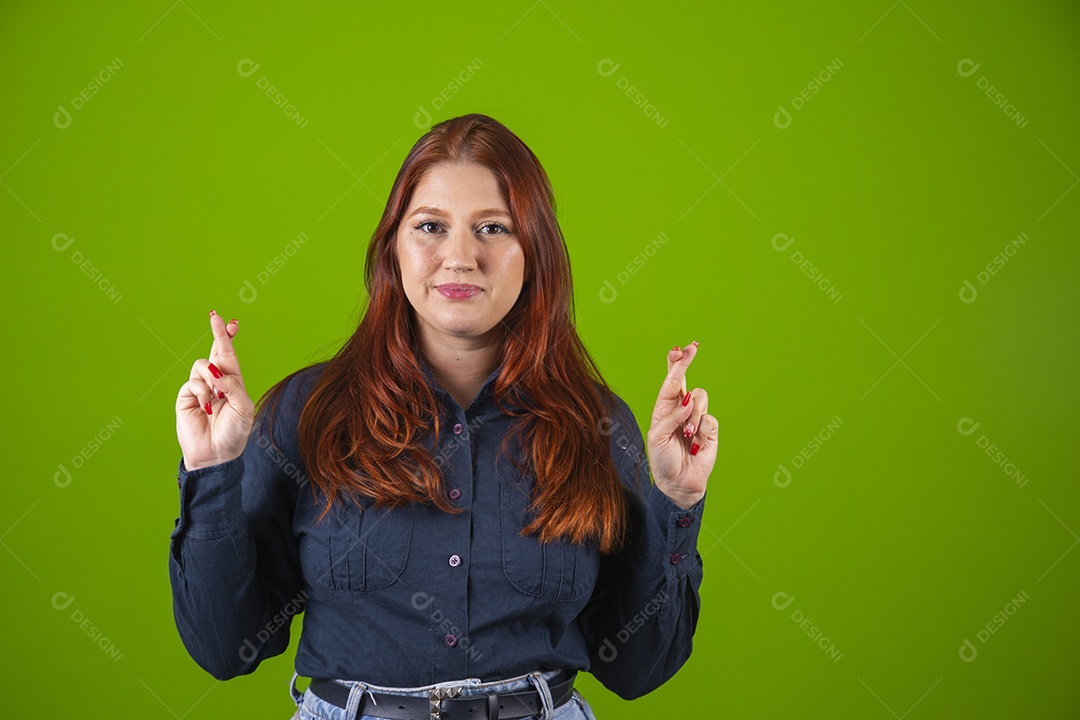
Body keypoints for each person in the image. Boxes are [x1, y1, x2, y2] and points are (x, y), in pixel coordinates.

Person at [170, 113, 717, 720]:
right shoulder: (307, 414)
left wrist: (675, 499)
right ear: (392, 249)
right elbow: (225, 648)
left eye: (493, 228)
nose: (461, 257)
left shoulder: (595, 425)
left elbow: (637, 667)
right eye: (430, 226)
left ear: (535, 253)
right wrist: (212, 469)